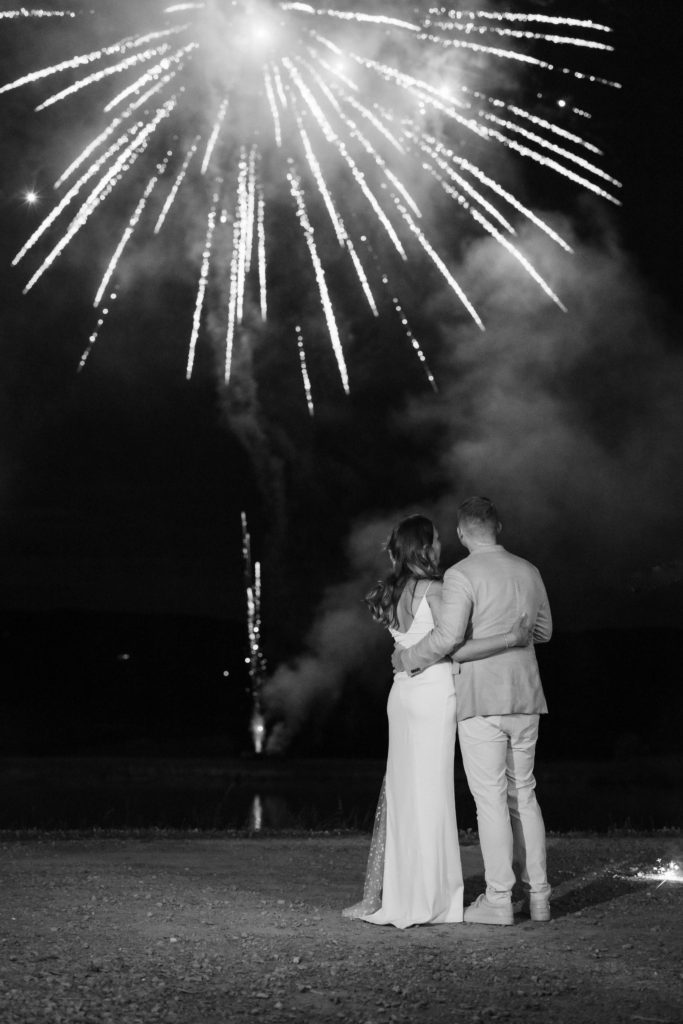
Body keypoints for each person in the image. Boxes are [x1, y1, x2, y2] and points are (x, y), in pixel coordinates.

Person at [343, 513, 531, 929]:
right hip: (432, 693)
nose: (442, 546)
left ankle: (403, 892)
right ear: (424, 548)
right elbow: (453, 642)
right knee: (432, 793)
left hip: (402, 695)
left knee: (406, 793)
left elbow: (414, 642)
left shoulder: (393, 591)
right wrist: (510, 638)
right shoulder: (436, 588)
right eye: (437, 541)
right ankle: (433, 899)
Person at [393, 497, 553, 926]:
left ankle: (500, 899)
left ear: (463, 533)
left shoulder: (461, 575)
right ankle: (539, 896)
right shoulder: (529, 571)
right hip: (526, 695)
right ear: (497, 526)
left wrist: (408, 659)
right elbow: (544, 631)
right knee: (525, 794)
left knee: (490, 801)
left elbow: (447, 639)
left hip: (482, 698)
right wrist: (514, 636)